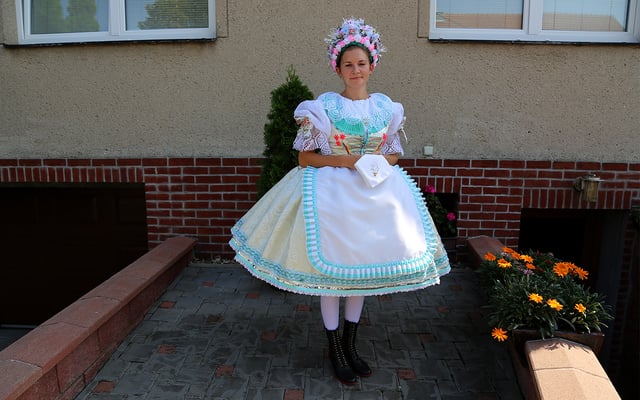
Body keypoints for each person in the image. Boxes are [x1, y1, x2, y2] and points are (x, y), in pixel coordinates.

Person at [229, 17, 451, 385]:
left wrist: (376, 162)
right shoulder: (324, 108)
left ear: (372, 66)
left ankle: (351, 344)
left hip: (375, 194)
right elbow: (305, 158)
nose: (355, 70)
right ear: (338, 68)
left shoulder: (387, 108)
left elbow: (394, 154)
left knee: (359, 271)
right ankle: (335, 347)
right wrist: (349, 161)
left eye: (361, 63)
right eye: (348, 64)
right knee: (333, 273)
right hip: (332, 193)